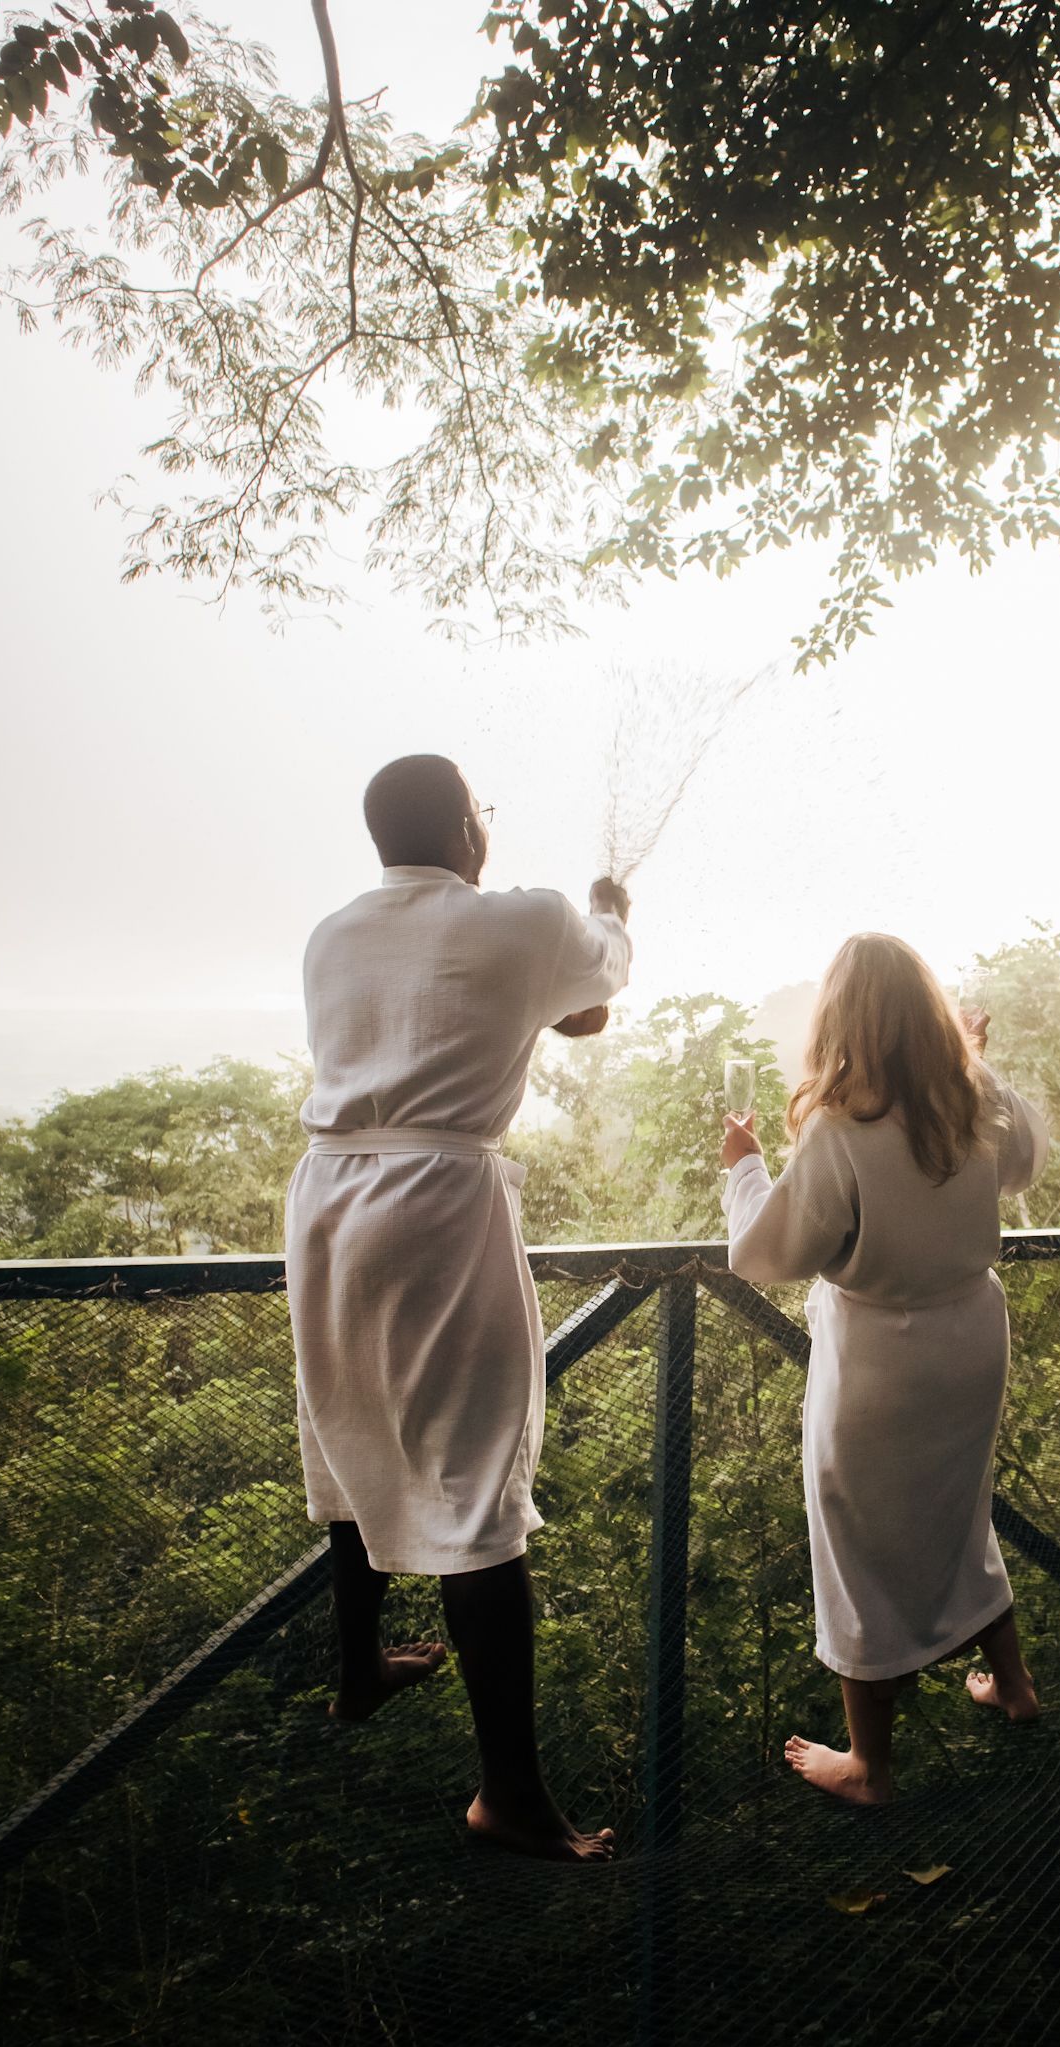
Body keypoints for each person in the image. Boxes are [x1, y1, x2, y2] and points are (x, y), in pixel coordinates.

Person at [285, 753, 631, 1862]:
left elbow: (558, 1017)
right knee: (478, 1483)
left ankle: (356, 1673)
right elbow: (601, 986)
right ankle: (510, 1795)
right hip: (436, 1200)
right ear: (468, 828)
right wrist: (609, 909)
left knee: (348, 1425)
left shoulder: (333, 932)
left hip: (327, 1199)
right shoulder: (522, 918)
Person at [719, 933, 1047, 1806]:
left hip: (878, 1362)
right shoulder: (970, 1099)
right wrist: (976, 1061)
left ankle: (868, 1767)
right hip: (970, 1339)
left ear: (841, 1021)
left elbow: (768, 1251)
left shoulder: (839, 1127)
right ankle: (1012, 1686)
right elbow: (1023, 1165)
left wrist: (744, 1167)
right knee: (959, 1508)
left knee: (854, 1537)